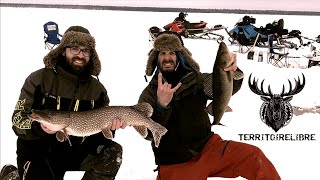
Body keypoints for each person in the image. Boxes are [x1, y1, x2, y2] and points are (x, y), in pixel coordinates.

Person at [138, 32, 281, 180]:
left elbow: (221, 88)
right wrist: (161, 106)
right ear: (156, 57)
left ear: (180, 55)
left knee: (254, 157)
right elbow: (148, 134)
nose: (167, 57)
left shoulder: (196, 80)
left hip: (208, 148)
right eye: (162, 53)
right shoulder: (149, 94)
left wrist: (231, 73)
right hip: (176, 162)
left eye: (172, 52)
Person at [0, 26, 126, 180]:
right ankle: (11, 176)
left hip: (75, 151)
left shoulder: (97, 90)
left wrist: (110, 128)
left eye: (86, 51)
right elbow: (17, 120)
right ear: (63, 50)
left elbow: (99, 131)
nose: (80, 55)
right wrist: (39, 128)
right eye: (74, 48)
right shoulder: (39, 80)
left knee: (112, 153)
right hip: (39, 150)